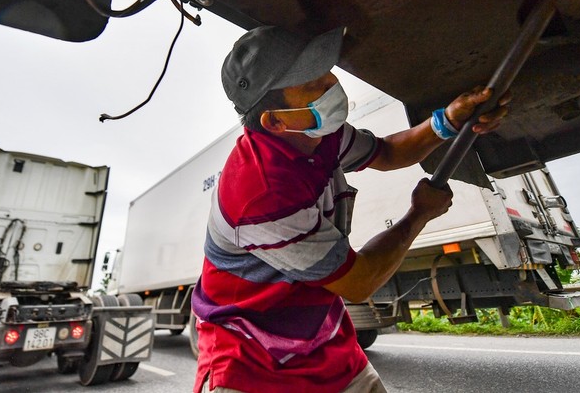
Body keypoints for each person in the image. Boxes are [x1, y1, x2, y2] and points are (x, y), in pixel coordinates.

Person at [190, 26, 509, 392]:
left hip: (324, 340)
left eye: (327, 73)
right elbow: (359, 281)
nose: (333, 85)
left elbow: (388, 153)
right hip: (251, 361)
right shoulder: (260, 193)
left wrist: (449, 120)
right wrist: (419, 214)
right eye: (314, 84)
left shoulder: (319, 133)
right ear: (275, 120)